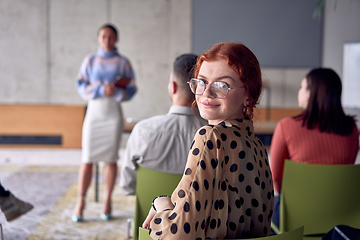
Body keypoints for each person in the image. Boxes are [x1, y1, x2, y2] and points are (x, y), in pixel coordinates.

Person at [143, 42, 274, 239]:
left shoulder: (210, 136)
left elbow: (176, 236)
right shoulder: (257, 147)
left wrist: (160, 202)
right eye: (202, 81)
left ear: (248, 94)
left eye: (222, 85)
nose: (206, 93)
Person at [270, 68, 359, 226]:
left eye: (301, 87)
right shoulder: (352, 129)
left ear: (311, 93)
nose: (300, 92)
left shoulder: (286, 126)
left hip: (295, 218)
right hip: (341, 217)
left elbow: (276, 179)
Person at [72, 23, 137, 222]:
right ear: (98, 38)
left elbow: (132, 88)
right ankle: (80, 201)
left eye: (111, 37)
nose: (107, 40)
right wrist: (101, 89)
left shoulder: (123, 62)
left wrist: (116, 91)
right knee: (87, 158)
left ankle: (108, 199)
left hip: (113, 114)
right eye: (103, 37)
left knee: (111, 159)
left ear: (116, 39)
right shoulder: (90, 60)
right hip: (94, 113)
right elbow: (80, 84)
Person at [119, 54, 207, 195]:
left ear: (173, 86)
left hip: (152, 215)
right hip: (198, 216)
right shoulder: (215, 135)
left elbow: (127, 186)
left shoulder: (142, 131)